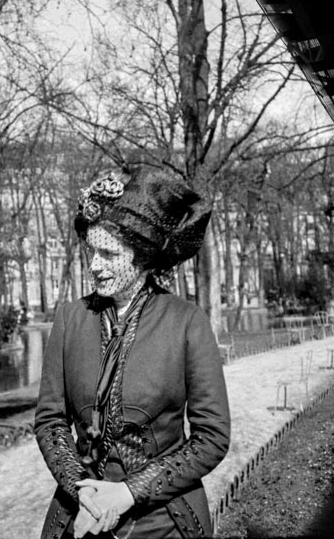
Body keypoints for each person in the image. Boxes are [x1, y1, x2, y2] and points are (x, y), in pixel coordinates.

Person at [35, 169, 230, 539]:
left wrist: (128, 492)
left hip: (162, 520)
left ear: (142, 256)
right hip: (81, 512)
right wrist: (82, 490)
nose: (95, 265)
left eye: (109, 253)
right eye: (91, 251)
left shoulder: (187, 322)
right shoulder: (70, 319)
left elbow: (212, 436)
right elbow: (50, 421)